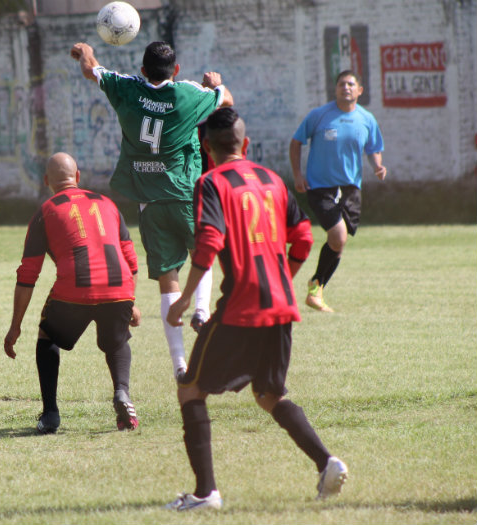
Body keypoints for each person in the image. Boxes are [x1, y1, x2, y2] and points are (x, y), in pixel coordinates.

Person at [165, 108, 348, 511]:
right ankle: (327, 462)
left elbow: (210, 240)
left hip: (241, 306)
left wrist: (182, 299)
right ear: (245, 145)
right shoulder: (272, 179)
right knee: (268, 394)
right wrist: (284, 277)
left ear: (206, 148)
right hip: (281, 307)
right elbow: (302, 238)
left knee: (191, 388)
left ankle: (204, 494)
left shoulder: (210, 182)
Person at [71, 40, 233, 380]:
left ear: (143, 70)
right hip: (185, 194)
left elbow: (90, 68)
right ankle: (201, 311)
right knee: (202, 254)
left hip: (149, 202)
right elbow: (226, 100)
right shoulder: (188, 95)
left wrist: (85, 49)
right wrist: (215, 85)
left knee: (167, 277)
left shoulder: (125, 89)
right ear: (174, 70)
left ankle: (179, 363)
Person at [3, 152, 141, 434]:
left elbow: (28, 275)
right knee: (116, 342)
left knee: (47, 337)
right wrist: (132, 303)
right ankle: (122, 393)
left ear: (46, 182)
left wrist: (15, 326)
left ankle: (51, 413)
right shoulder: (108, 204)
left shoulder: (45, 211)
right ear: (78, 177)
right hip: (119, 287)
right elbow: (131, 259)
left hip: (74, 291)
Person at [289, 69, 387, 312]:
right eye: (342, 84)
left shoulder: (366, 119)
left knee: (338, 243)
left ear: (360, 90)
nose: (346, 88)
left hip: (351, 189)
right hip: (320, 187)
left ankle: (316, 287)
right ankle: (316, 286)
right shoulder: (320, 116)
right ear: (335, 89)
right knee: (338, 236)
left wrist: (377, 166)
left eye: (351, 84)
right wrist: (297, 174)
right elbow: (296, 142)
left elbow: (374, 147)